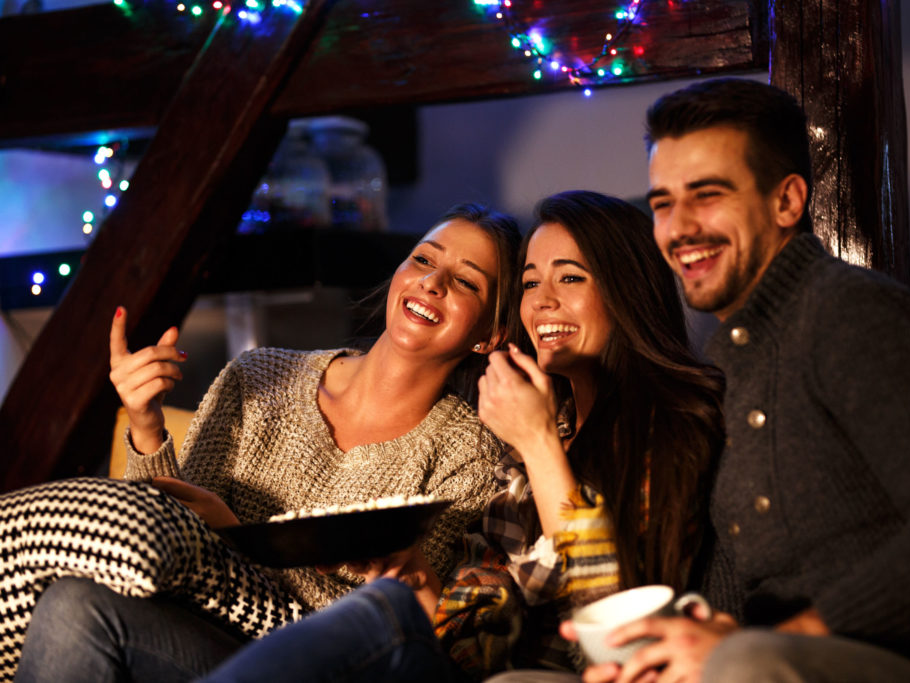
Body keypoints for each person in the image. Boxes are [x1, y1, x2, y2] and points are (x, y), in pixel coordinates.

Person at [563, 78, 910, 682]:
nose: (679, 227)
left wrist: (772, 641)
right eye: (663, 203)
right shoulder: (731, 360)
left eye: (707, 195)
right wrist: (668, 654)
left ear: (787, 202)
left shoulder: (856, 316)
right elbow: (736, 588)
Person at [192, 190, 725, 682]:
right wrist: (417, 575)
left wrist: (540, 447)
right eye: (531, 283)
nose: (541, 302)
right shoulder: (529, 444)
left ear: (626, 289)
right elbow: (472, 648)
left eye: (569, 278)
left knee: (381, 614)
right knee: (107, 615)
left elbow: (611, 632)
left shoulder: (668, 425)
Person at [1, 203, 522, 683]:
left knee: (76, 612)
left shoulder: (470, 454)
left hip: (307, 665)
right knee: (69, 598)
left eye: (465, 283)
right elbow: (160, 546)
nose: (433, 282)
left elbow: (381, 622)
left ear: (491, 335)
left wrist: (239, 538)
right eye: (423, 259)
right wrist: (145, 424)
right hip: (187, 633)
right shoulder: (256, 376)